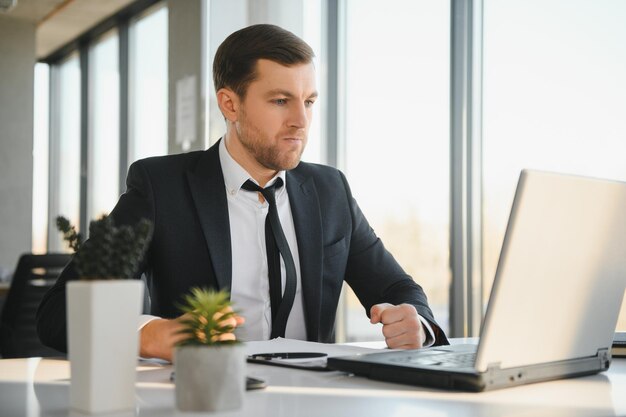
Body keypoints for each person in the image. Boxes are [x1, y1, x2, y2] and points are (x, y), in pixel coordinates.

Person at [37, 24, 448, 361]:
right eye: (281, 101)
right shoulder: (161, 187)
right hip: (203, 399)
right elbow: (59, 314)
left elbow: (399, 291)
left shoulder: (330, 190)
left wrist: (417, 323)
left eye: (308, 101)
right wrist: (150, 335)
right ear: (230, 105)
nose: (300, 121)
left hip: (315, 402)